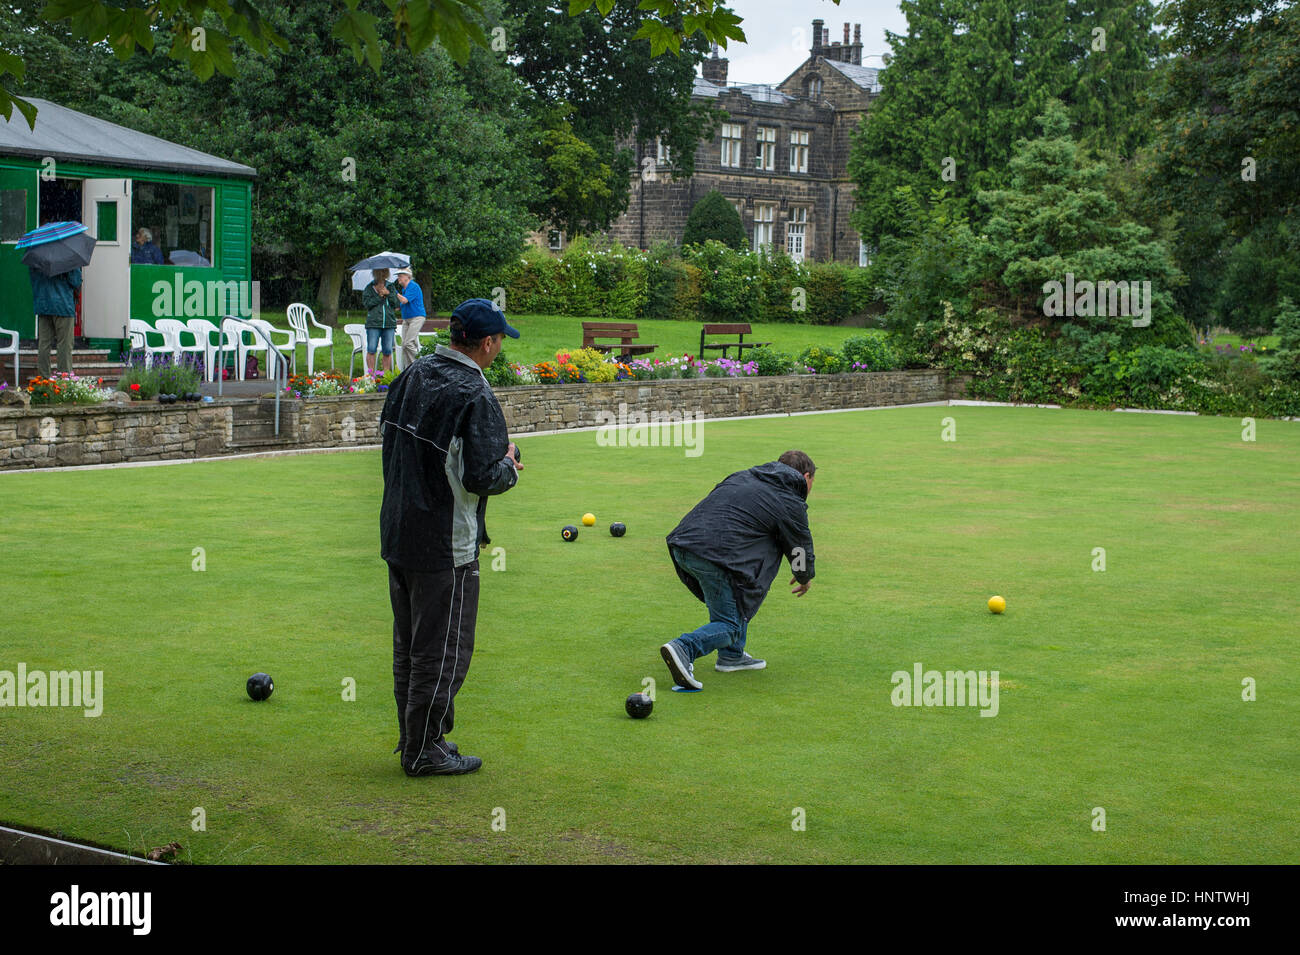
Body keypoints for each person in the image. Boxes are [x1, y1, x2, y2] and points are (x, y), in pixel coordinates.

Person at [380, 298, 523, 777]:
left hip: (399, 532)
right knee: (443, 649)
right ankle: (425, 749)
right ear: (486, 343)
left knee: (412, 647)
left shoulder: (414, 374)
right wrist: (511, 465)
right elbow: (484, 475)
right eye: (500, 341)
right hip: (444, 543)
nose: (499, 349)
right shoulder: (475, 394)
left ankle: (416, 739)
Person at [660, 450, 817, 690]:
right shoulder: (789, 498)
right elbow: (799, 544)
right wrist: (803, 576)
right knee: (730, 625)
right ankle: (685, 647)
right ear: (806, 477)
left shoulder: (743, 476)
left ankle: (731, 656)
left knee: (740, 587)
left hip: (683, 543)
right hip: (713, 555)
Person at [29, 265, 82, 377]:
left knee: (44, 343)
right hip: (63, 305)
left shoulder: (36, 257)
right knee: (64, 344)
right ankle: (64, 378)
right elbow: (76, 281)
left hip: (43, 305)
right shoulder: (67, 256)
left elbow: (34, 281)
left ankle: (43, 379)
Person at [362, 267, 401, 377]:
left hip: (389, 323)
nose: (382, 273)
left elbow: (397, 305)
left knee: (388, 350)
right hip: (373, 323)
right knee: (371, 349)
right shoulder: (369, 288)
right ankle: (371, 376)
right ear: (374, 273)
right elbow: (367, 304)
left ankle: (386, 375)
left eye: (384, 271)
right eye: (379, 271)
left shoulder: (391, 286)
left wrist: (388, 293)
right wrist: (379, 296)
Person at [393, 267, 427, 371]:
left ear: (408, 277)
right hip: (407, 319)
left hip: (417, 317)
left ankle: (419, 366)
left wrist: (394, 292)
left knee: (408, 343)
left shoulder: (413, 286)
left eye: (400, 275)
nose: (398, 278)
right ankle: (409, 370)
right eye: (398, 276)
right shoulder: (404, 289)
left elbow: (404, 301)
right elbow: (402, 304)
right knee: (404, 345)